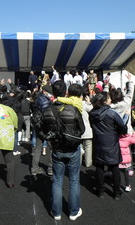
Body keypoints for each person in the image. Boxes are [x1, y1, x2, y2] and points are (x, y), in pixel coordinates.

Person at [41, 80, 85, 221]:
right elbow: (82, 129)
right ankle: (73, 211)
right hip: (72, 148)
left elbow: (43, 129)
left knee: (57, 180)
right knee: (74, 180)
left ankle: (56, 212)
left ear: (53, 92)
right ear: (65, 92)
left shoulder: (47, 110)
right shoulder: (73, 109)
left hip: (56, 149)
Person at [89, 91, 127, 200]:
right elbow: (123, 128)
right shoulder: (112, 113)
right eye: (109, 98)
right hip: (111, 143)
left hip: (98, 142)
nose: (111, 100)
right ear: (105, 101)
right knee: (114, 167)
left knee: (99, 167)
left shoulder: (92, 113)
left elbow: (92, 126)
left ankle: (100, 191)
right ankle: (116, 193)